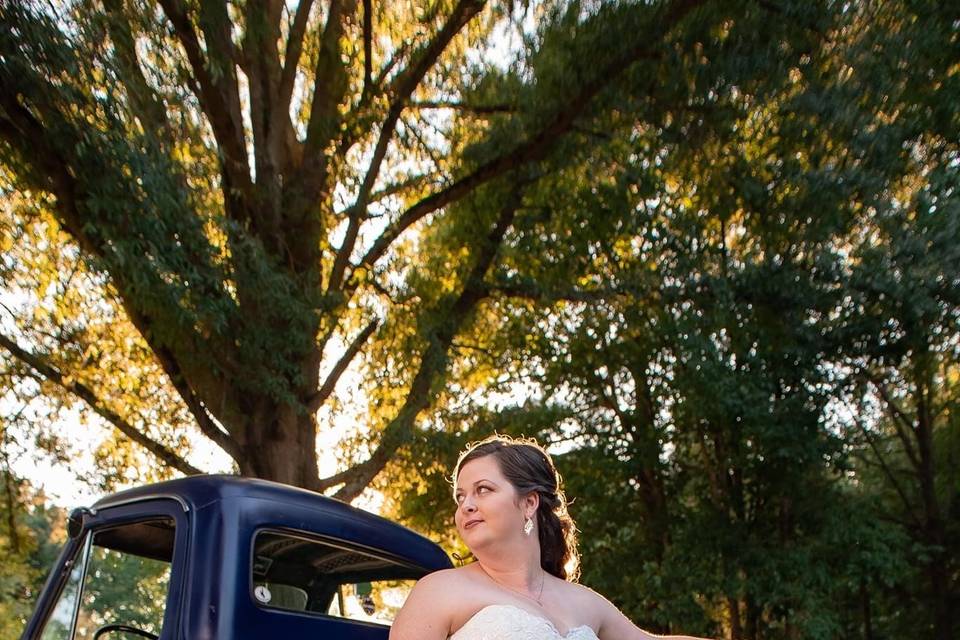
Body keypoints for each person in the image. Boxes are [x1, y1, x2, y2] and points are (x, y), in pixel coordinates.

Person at [390, 434, 711, 640]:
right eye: (460, 498)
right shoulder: (440, 590)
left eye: (482, 490)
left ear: (529, 502)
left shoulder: (584, 601)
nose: (467, 506)